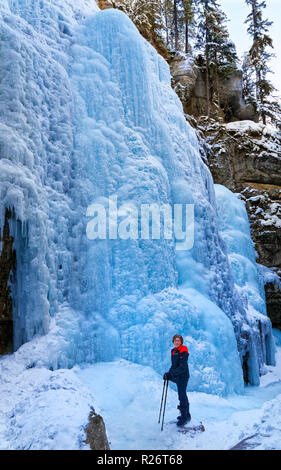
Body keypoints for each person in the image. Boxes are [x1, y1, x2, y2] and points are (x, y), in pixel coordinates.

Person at [163, 334, 191, 427]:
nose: (177, 342)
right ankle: (186, 414)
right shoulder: (173, 351)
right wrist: (169, 373)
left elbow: (182, 367)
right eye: (175, 340)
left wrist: (172, 374)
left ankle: (185, 417)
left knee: (182, 395)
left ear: (181, 342)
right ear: (173, 342)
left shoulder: (184, 351)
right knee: (181, 394)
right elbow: (174, 365)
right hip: (177, 376)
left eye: (178, 340)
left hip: (183, 376)